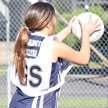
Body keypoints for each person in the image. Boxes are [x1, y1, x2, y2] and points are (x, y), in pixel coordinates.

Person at [9, 2, 101, 108]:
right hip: (38, 104)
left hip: (17, 101)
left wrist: (69, 29)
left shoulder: (23, 38)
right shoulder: (54, 47)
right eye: (54, 18)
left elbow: (49, 43)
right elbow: (84, 58)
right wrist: (86, 32)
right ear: (48, 23)